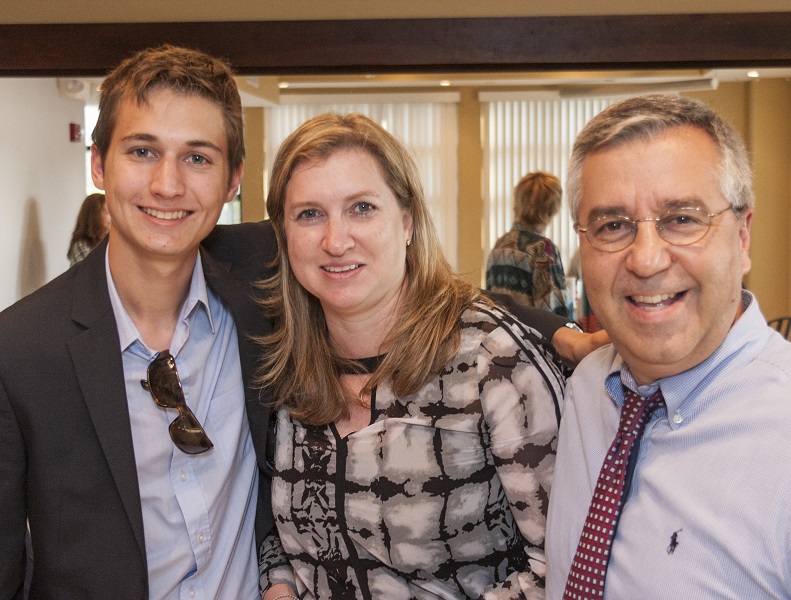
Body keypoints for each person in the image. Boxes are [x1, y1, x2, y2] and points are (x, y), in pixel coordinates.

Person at [0, 45, 277, 599]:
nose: (168, 185)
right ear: (99, 165)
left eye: (198, 157)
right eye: (143, 151)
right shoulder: (21, 350)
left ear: (232, 181)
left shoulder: (271, 285)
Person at [256, 112, 567, 600]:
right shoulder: (279, 366)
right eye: (309, 214)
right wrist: (277, 586)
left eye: (361, 208)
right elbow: (278, 532)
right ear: (283, 234)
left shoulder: (494, 361)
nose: (335, 241)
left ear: (407, 221)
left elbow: (565, 568)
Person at [545, 94, 791, 598]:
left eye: (682, 218)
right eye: (612, 226)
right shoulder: (589, 388)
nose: (647, 259)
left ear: (742, 237)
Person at [486, 171, 575, 319]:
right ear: (552, 208)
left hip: (504, 338)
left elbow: (490, 303)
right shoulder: (542, 250)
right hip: (532, 341)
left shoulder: (499, 246)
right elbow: (556, 313)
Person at [67, 192, 112, 265]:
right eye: (107, 212)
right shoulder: (81, 246)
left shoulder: (111, 241)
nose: (112, 217)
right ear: (94, 216)